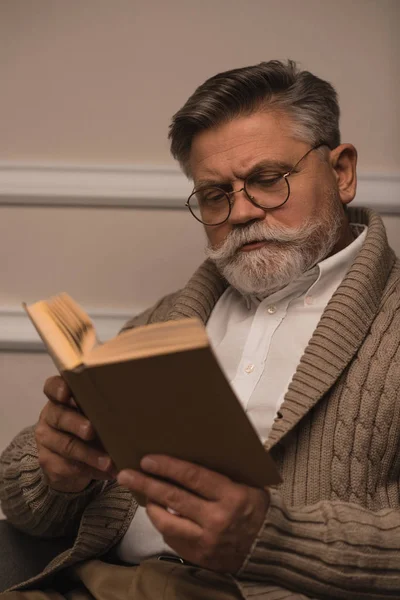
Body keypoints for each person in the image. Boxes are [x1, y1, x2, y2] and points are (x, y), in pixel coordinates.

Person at [1, 59, 400, 600]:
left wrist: (275, 540)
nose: (239, 212)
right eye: (215, 195)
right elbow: (27, 511)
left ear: (342, 171)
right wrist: (56, 472)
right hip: (96, 583)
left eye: (267, 180)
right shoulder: (172, 317)